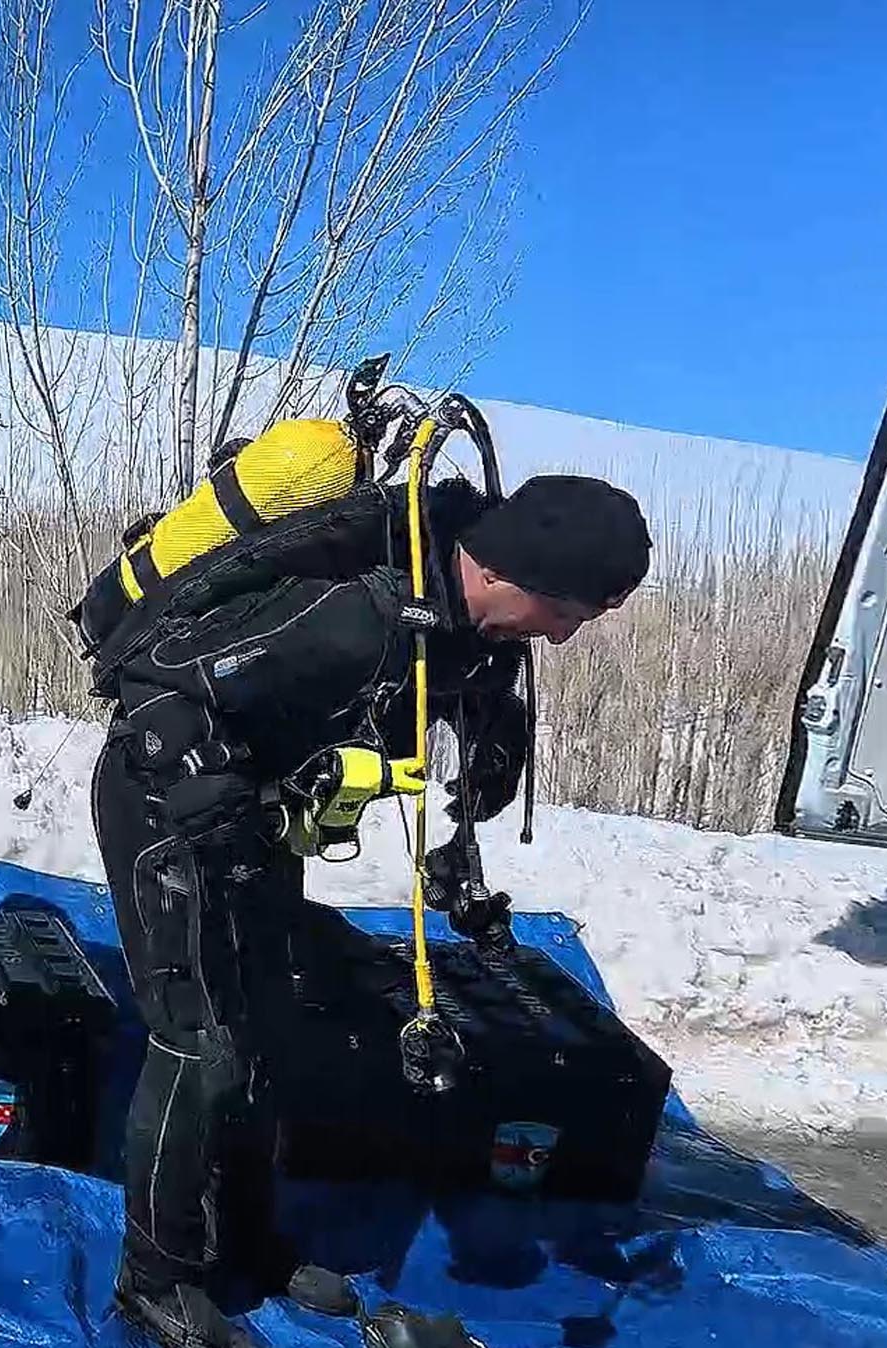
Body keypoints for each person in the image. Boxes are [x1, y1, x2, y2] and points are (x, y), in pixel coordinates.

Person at [90, 468, 650, 1347]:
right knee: (201, 1044)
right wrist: (207, 795)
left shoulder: (470, 637)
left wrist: (482, 778)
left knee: (269, 1028)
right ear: (510, 574)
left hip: (264, 817)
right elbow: (156, 670)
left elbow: (458, 729)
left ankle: (245, 1237)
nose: (567, 639)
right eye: (568, 615)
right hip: (167, 800)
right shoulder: (364, 616)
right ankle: (154, 1277)